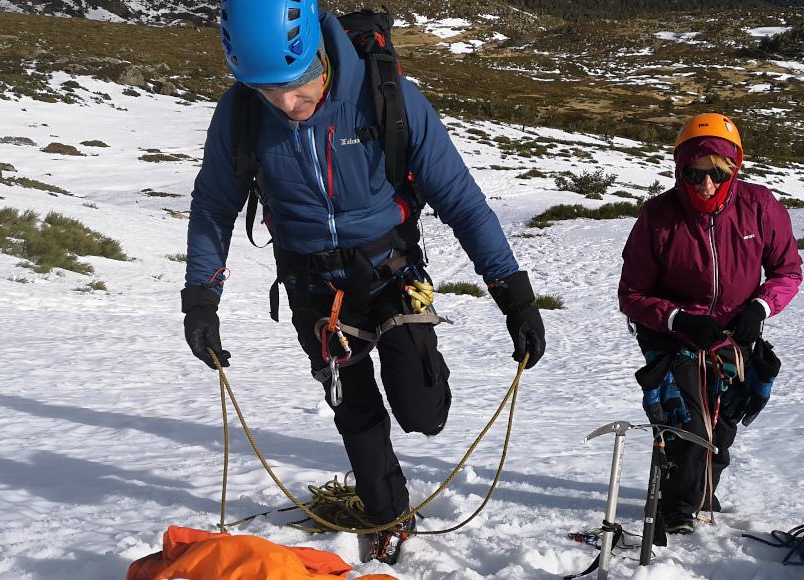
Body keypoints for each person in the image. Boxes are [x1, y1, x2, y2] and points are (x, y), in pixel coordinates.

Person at [180, 0, 547, 563]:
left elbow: (462, 202)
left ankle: (422, 380)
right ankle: (388, 516)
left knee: (423, 412)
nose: (288, 105)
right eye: (268, 92)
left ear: (321, 56)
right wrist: (202, 299)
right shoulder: (241, 115)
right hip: (312, 289)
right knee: (354, 408)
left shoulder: (388, 97)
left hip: (390, 272)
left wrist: (513, 295)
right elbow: (213, 207)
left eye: (299, 87)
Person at [618, 113, 802, 535]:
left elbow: (787, 271)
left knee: (722, 423)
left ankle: (699, 492)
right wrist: (678, 317)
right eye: (694, 173)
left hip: (735, 334)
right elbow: (632, 294)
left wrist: (759, 308)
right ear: (678, 169)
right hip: (673, 334)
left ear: (734, 168)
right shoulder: (658, 217)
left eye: (718, 174)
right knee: (689, 422)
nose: (705, 185)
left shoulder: (760, 208)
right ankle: (678, 511)